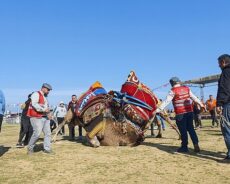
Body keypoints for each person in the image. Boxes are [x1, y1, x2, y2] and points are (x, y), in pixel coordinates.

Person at [157, 77, 205, 153]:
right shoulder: (186, 88)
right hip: (189, 112)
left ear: (172, 83)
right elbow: (194, 98)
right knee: (191, 129)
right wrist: (201, 104)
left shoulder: (173, 91)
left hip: (180, 113)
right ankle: (196, 144)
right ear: (179, 82)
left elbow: (167, 101)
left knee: (183, 131)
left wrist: (158, 110)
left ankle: (184, 147)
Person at [27, 83, 53, 155]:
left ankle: (47, 148)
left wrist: (49, 114)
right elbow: (34, 104)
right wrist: (44, 110)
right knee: (37, 134)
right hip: (36, 117)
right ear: (43, 88)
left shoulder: (44, 97)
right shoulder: (36, 94)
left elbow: (46, 108)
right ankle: (30, 148)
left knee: (48, 133)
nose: (48, 92)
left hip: (45, 117)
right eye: (48, 90)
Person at [216, 54, 230, 162]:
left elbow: (224, 88)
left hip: (228, 104)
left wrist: (219, 104)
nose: (218, 65)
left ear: (224, 62)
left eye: (219, 63)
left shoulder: (226, 72)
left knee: (226, 129)